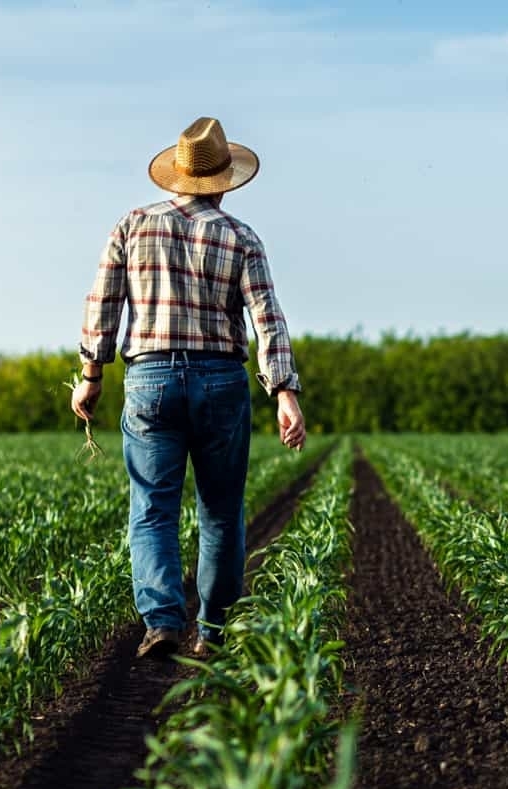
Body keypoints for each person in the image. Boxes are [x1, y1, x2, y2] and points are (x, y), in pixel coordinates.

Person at [70, 116, 307, 659]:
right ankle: (215, 633)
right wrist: (284, 392)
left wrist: (91, 376)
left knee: (152, 506)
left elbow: (101, 304)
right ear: (224, 180)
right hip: (221, 379)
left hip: (150, 379)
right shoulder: (241, 236)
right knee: (220, 510)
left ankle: (162, 623)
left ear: (174, 176)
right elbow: (267, 318)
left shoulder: (131, 225)